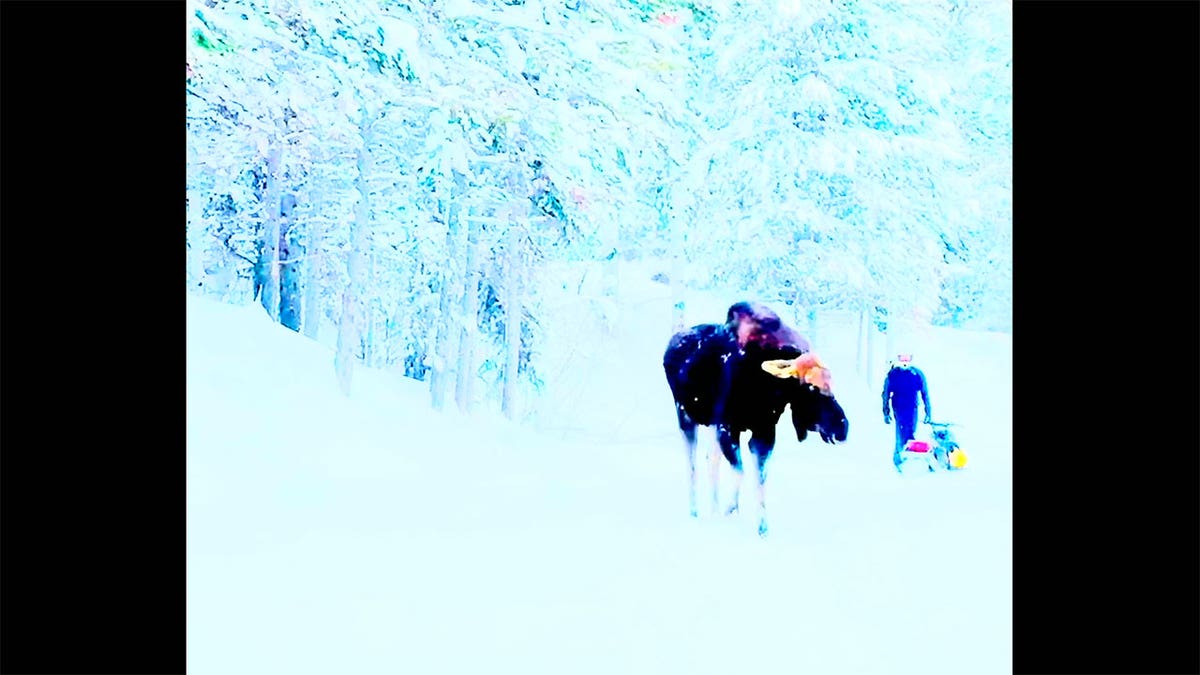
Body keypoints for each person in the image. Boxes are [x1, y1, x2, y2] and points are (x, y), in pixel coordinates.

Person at [881, 353, 932, 472]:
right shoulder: (893, 374)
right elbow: (886, 394)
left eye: (907, 358)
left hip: (913, 408)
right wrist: (886, 412)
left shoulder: (916, 374)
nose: (905, 360)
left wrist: (928, 411)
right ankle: (899, 460)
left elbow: (925, 393)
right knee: (901, 433)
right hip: (898, 408)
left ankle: (909, 458)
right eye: (902, 358)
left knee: (911, 433)